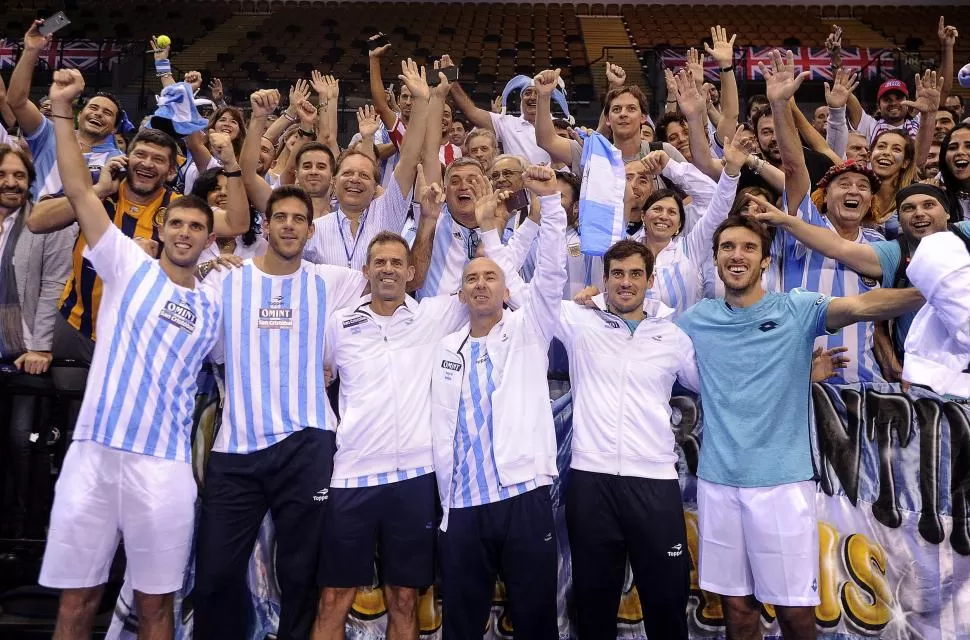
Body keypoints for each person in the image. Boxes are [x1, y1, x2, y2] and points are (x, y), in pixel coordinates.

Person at [675, 213, 923, 640]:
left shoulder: (797, 308)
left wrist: (932, 291)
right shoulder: (694, 321)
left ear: (765, 261)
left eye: (748, 248)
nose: (737, 256)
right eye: (728, 248)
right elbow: (637, 338)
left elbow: (864, 305)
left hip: (783, 487)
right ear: (715, 260)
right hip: (718, 484)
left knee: (795, 614)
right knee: (737, 610)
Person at [39, 68, 221, 639]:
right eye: (179, 223)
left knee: (155, 608)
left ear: (209, 238)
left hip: (162, 466)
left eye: (199, 226)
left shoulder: (216, 304)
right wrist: (64, 112)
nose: (186, 232)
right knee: (77, 601)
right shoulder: (124, 264)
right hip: (93, 454)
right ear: (161, 226)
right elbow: (74, 189)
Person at [193, 184, 368, 640]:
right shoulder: (225, 281)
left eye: (299, 219)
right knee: (213, 577)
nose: (289, 225)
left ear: (312, 230)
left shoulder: (334, 282)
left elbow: (395, 279)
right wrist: (209, 262)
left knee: (300, 575)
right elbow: (202, 339)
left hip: (307, 443)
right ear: (265, 226)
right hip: (237, 448)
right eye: (281, 217)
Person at [312, 183, 468, 640]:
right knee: (333, 597)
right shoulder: (338, 325)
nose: (387, 269)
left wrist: (436, 217)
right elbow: (314, 376)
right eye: (379, 262)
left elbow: (492, 281)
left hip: (415, 478)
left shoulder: (433, 317)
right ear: (365, 270)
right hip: (352, 476)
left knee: (405, 598)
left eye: (396, 263)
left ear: (410, 271)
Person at [431, 165, 566, 639]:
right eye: (473, 278)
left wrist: (550, 204)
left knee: (534, 621)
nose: (483, 284)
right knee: (462, 626)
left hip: (521, 495)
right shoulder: (445, 349)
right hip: (462, 504)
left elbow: (551, 274)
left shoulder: (528, 331)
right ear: (462, 292)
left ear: (507, 289)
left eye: (492, 277)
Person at [557, 240, 699, 639]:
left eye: (636, 273)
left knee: (667, 601)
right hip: (591, 481)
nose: (626, 282)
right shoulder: (579, 320)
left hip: (654, 483)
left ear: (650, 280)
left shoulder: (673, 336)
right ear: (604, 280)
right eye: (617, 273)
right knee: (593, 603)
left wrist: (794, 373)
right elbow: (523, 295)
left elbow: (719, 386)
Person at [753, 183, 968, 361]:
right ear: (899, 220)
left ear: (947, 212)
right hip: (926, 378)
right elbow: (836, 247)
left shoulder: (965, 233)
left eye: (928, 205)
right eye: (908, 208)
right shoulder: (894, 253)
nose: (919, 213)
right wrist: (784, 220)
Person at [0, 145, 74, 539]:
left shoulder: (45, 221)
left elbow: (54, 287)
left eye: (19, 176)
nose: (11, 182)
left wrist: (42, 346)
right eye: (3, 174)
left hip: (25, 353)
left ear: (30, 182)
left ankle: (22, 535)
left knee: (21, 443)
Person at [303, 60, 431, 270]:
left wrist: (421, 103)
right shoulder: (314, 230)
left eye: (364, 175)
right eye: (348, 173)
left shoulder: (387, 211)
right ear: (333, 182)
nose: (355, 179)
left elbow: (409, 158)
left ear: (375, 186)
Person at [6, 21, 125, 199]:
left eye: (107, 113)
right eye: (93, 107)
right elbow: (16, 101)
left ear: (115, 128)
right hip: (29, 222)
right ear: (81, 114)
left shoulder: (116, 160)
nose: (98, 113)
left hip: (82, 226)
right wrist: (31, 51)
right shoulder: (49, 133)